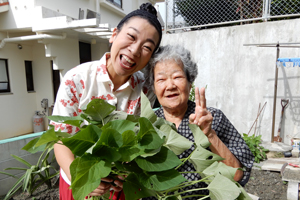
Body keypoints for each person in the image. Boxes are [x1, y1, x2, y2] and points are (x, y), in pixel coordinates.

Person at [51, 3, 162, 200]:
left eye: (147, 47)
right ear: (113, 35)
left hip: (118, 187)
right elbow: (61, 140)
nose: (135, 50)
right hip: (77, 180)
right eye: (131, 36)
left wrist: (124, 171)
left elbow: (137, 142)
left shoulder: (145, 89)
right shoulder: (77, 79)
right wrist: (81, 179)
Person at [143, 44, 254, 199]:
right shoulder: (147, 124)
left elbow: (236, 175)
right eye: (161, 79)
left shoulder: (212, 117)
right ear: (153, 88)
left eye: (177, 77)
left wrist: (209, 134)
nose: (170, 85)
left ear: (190, 82)